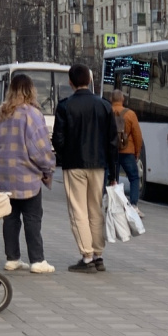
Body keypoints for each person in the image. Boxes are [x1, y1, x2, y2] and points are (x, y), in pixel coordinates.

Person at [52, 63, 118, 273]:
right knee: (95, 210)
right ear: (90, 81)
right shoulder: (104, 105)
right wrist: (113, 173)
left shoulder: (64, 106)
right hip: (99, 164)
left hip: (74, 164)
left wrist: (63, 157)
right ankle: (98, 255)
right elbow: (113, 142)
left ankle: (87, 257)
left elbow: (58, 139)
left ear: (70, 83)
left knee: (78, 211)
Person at [0, 74, 57, 274]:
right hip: (28, 178)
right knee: (32, 217)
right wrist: (48, 168)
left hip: (4, 176)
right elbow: (40, 148)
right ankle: (37, 260)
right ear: (30, 90)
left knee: (10, 218)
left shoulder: (0, 113)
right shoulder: (32, 114)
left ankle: (12, 258)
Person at [108, 89, 144, 217]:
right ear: (122, 99)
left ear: (111, 99)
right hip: (127, 151)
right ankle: (133, 205)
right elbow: (137, 135)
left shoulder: (107, 111)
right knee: (134, 177)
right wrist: (137, 152)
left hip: (111, 151)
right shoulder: (130, 114)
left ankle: (112, 204)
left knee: (113, 178)